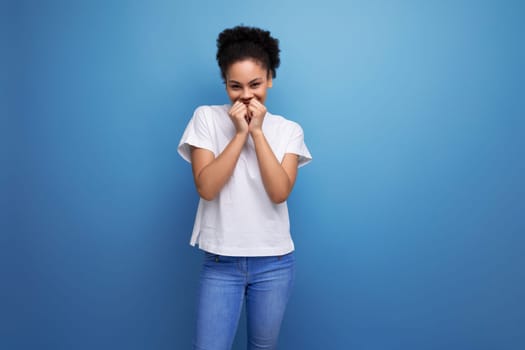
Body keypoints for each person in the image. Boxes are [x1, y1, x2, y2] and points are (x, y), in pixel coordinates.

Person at [178, 25, 312, 350]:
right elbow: (206, 187)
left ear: (269, 79)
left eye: (255, 84)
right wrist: (239, 134)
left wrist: (258, 133)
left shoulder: (288, 130)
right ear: (225, 83)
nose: (246, 95)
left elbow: (279, 192)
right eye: (235, 86)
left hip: (275, 262)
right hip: (222, 262)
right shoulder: (206, 119)